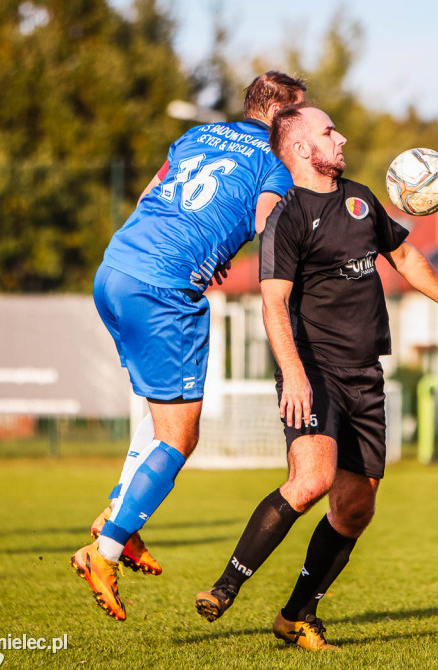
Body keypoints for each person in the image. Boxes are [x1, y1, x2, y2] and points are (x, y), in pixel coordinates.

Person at [193, 103, 438, 650]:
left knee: (356, 508)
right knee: (311, 480)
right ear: (298, 149)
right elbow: (273, 305)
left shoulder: (360, 199)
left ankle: (296, 616)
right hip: (313, 371)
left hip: (365, 374)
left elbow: (405, 259)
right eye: (328, 131)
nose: (340, 137)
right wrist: (292, 373)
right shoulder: (285, 219)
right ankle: (225, 586)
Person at [70, 71, 307, 621]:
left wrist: (205, 240)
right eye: (299, 114)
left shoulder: (196, 135)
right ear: (283, 115)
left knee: (157, 413)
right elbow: (271, 231)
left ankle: (121, 521)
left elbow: (152, 195)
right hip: (164, 288)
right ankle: (102, 551)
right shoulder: (274, 163)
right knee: (180, 437)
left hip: (116, 268)